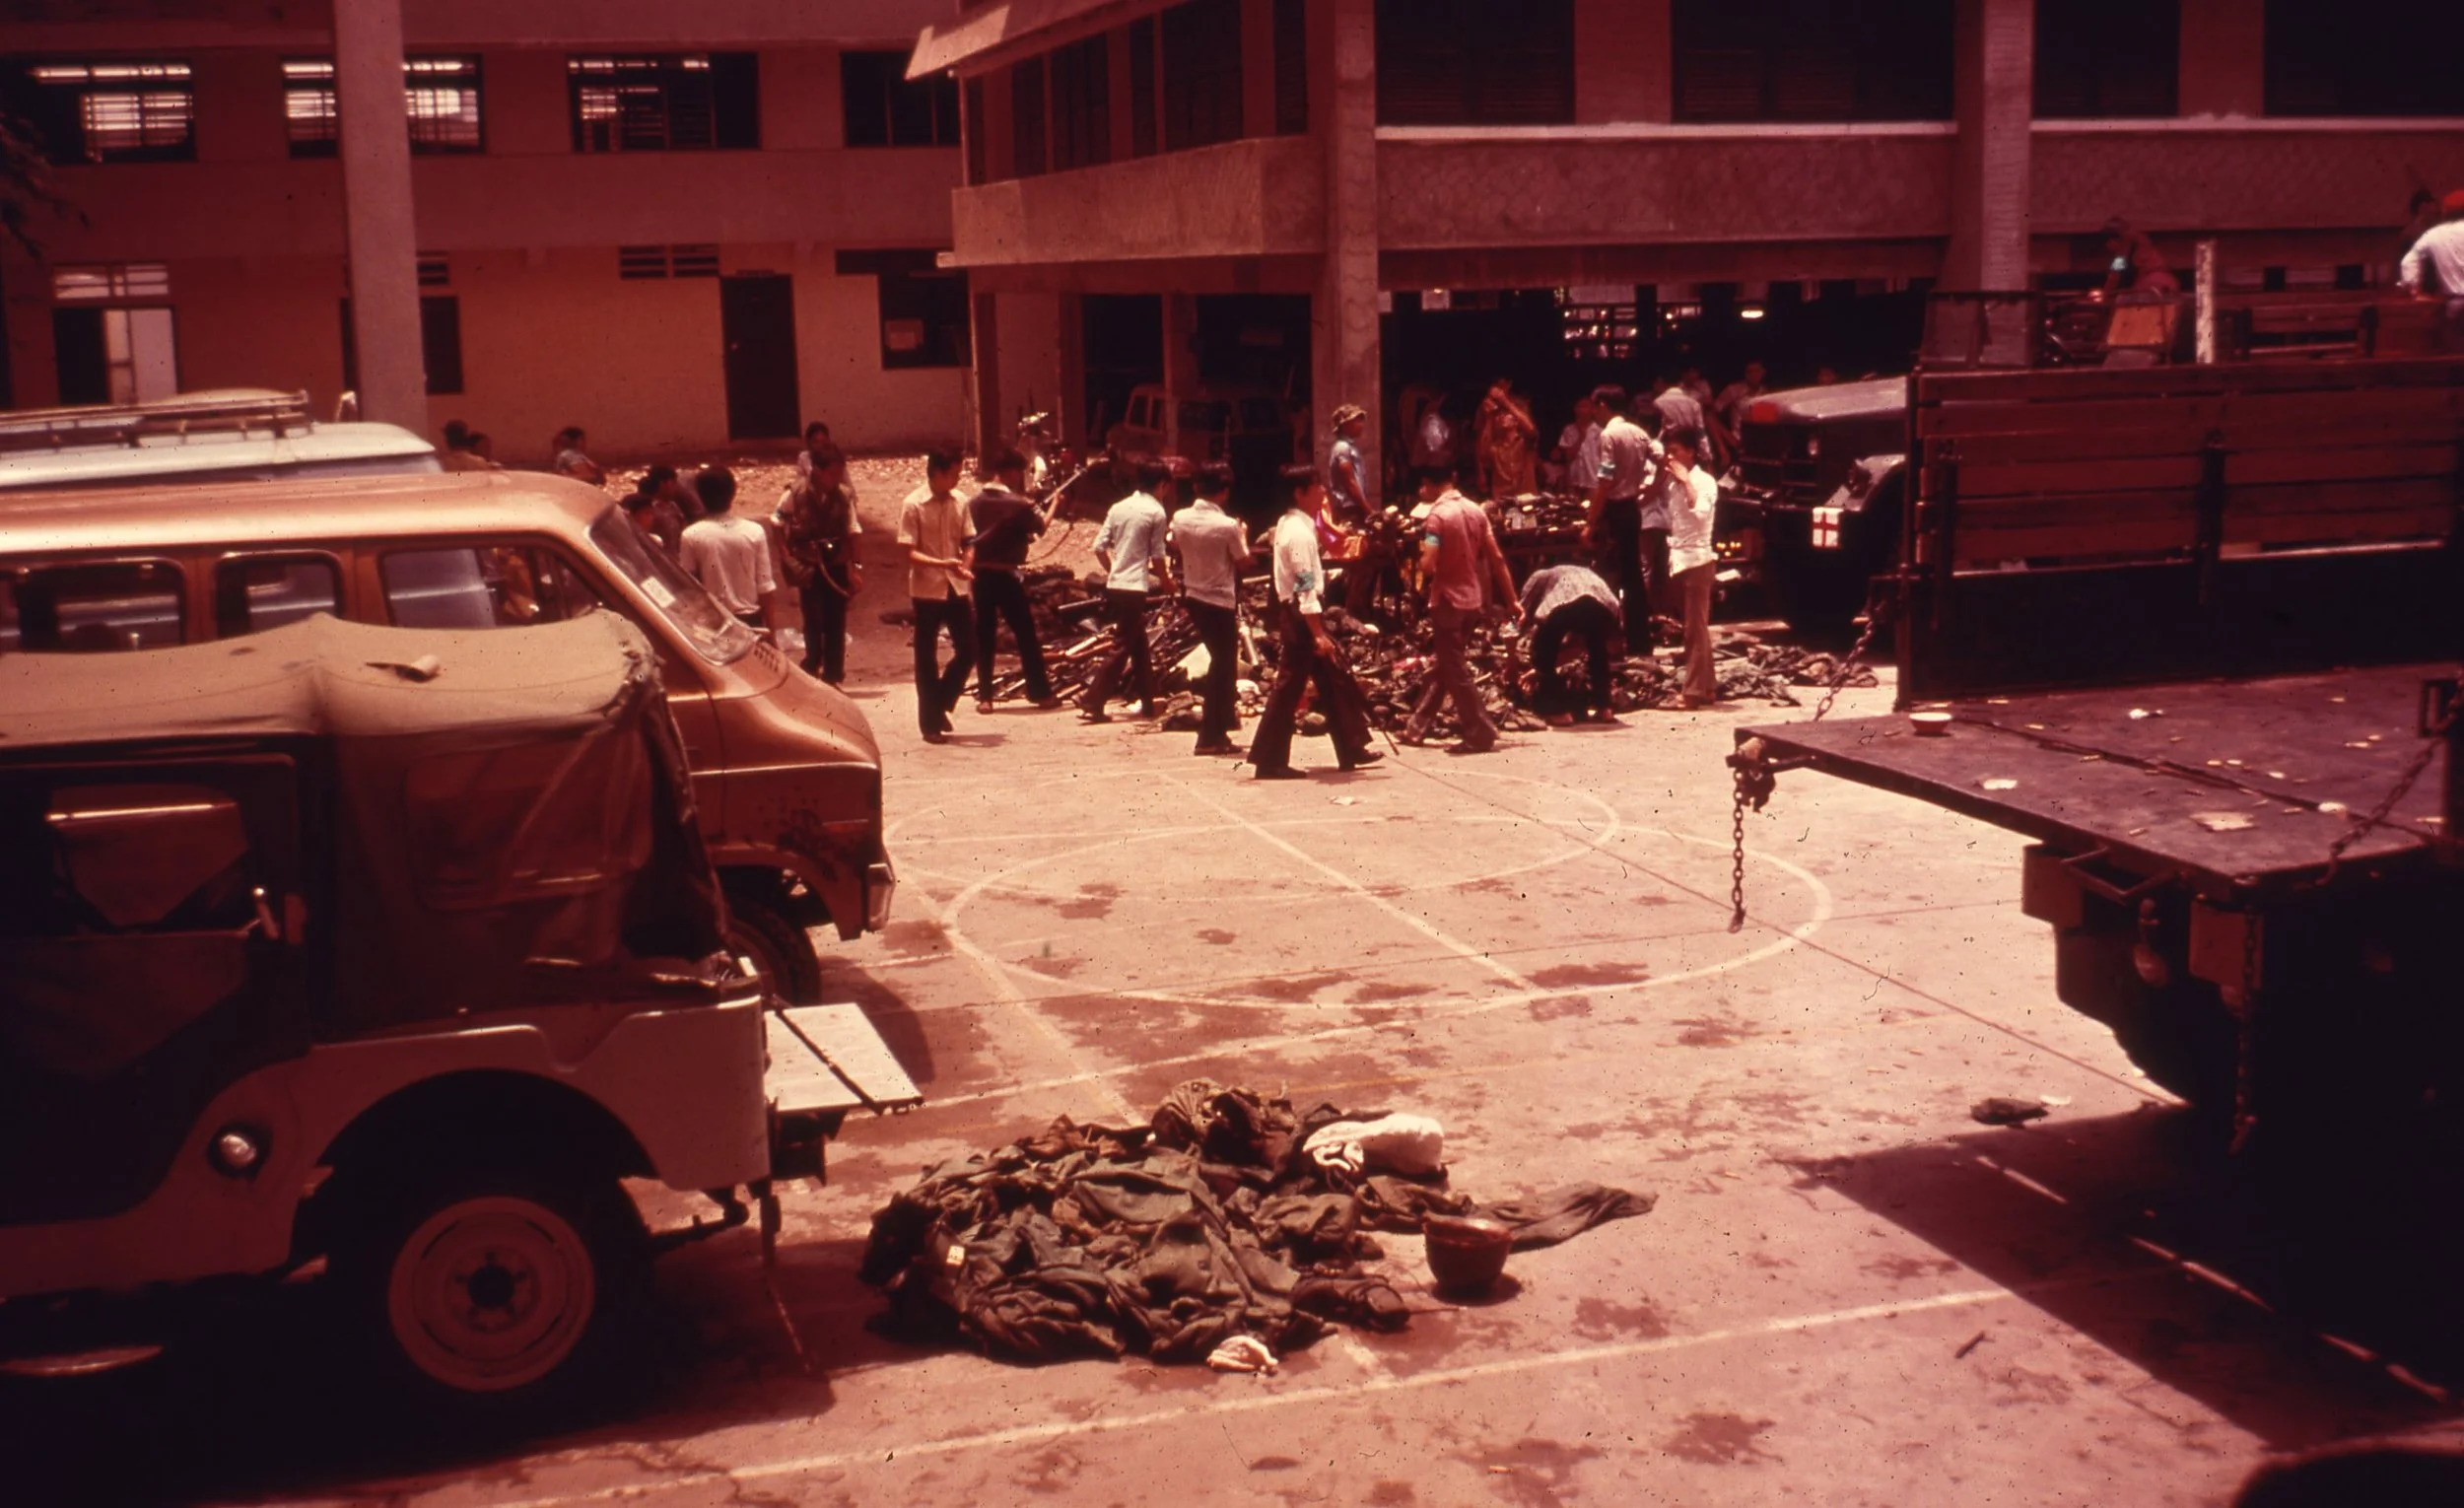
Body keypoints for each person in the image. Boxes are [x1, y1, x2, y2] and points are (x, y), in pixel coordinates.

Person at [1249, 465, 1381, 780]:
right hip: (1301, 614)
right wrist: (1317, 632)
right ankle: (1269, 758)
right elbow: (1305, 583)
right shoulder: (1299, 534)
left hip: (1300, 612)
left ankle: (1352, 746)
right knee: (1289, 687)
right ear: (1300, 492)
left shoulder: (1292, 526)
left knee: (1333, 678)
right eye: (1316, 486)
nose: (1323, 492)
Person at [1403, 464, 1516, 755]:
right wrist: (1512, 599)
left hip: (1448, 600)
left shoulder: (1437, 517)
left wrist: (1417, 557)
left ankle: (1479, 730)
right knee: (1448, 663)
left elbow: (1427, 564)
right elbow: (1497, 557)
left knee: (1453, 667)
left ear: (1427, 484)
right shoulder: (1476, 512)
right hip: (1472, 600)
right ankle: (1417, 726)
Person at [1079, 459, 1175, 723]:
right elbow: (1157, 556)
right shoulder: (1156, 512)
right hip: (1135, 587)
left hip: (1116, 584)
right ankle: (1092, 700)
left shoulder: (1118, 507)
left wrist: (1113, 571)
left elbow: (1099, 547)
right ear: (1162, 485)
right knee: (1122, 646)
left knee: (1138, 643)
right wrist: (1167, 582)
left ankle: (1149, 701)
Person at [965, 448, 1060, 711]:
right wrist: (1055, 504)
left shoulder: (974, 503)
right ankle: (1041, 693)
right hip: (1006, 576)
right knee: (1026, 634)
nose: (1021, 478)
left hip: (980, 575)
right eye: (1020, 472)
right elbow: (1040, 528)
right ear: (1010, 472)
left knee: (985, 635)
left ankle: (986, 698)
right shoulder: (1018, 504)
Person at [1170, 461, 1252, 755]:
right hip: (1219, 600)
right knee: (1223, 667)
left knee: (1221, 663)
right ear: (1225, 491)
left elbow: (1175, 546)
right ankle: (1210, 734)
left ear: (1195, 487)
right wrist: (1245, 534)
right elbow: (1244, 562)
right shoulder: (1228, 526)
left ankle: (1220, 726)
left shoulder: (1179, 518)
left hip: (1194, 595)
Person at [899, 449, 976, 743]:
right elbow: (909, 552)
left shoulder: (961, 501)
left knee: (970, 649)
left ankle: (941, 701)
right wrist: (942, 564)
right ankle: (929, 723)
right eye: (954, 474)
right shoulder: (913, 504)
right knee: (926, 655)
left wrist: (965, 566)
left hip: (956, 585)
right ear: (938, 473)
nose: (958, 479)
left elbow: (969, 541)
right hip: (927, 588)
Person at [1584, 385, 1663, 652]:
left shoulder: (1609, 435)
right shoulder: (1639, 432)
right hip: (1633, 510)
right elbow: (1664, 459)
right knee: (1633, 578)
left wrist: (1590, 522)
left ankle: (1608, 641)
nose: (1593, 413)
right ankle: (1639, 642)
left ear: (1603, 405)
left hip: (1615, 512)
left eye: (1594, 407)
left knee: (1607, 576)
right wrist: (1650, 490)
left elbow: (1605, 482)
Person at [777, 446, 863, 684]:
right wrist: (786, 556)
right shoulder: (795, 493)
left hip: (835, 565)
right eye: (832, 474)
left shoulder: (844, 496)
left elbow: (854, 531)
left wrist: (856, 568)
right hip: (809, 566)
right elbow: (776, 521)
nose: (836, 480)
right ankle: (812, 664)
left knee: (836, 620)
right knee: (813, 619)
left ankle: (833, 674)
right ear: (817, 470)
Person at [1519, 562, 1622, 726]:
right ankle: (1604, 708)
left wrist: (1516, 661)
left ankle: (1557, 712)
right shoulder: (1577, 572)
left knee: (1542, 647)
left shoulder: (1539, 577)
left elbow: (1522, 613)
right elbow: (1577, 648)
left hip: (1567, 600)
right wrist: (1536, 671)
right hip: (1604, 605)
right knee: (1598, 652)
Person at [1662, 429, 1721, 709]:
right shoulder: (1671, 483)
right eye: (1668, 452)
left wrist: (1686, 481)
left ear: (1691, 452)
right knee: (1696, 628)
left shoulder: (1704, 482)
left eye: (1676, 451)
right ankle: (1707, 688)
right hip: (1680, 559)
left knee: (1693, 630)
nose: (1671, 457)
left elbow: (1701, 514)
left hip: (1698, 560)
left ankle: (1693, 692)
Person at [678, 467, 775, 629]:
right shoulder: (754, 531)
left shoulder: (691, 535)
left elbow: (689, 587)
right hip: (750, 621)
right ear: (733, 493)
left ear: (700, 495)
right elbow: (765, 587)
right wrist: (772, 633)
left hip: (713, 622)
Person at [2399, 190, 2464, 349]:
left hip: (2454, 306)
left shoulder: (2434, 234)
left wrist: (2413, 288)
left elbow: (2409, 260)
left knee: (2453, 350)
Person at [1473, 377, 1538, 500]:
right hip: (1502, 495)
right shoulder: (1494, 447)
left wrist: (1504, 401)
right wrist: (1489, 417)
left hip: (1525, 494)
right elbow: (1482, 449)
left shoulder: (1524, 441)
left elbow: (1530, 429)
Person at [2099, 218, 2180, 300]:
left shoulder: (2123, 250)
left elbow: (2114, 276)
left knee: (2121, 300)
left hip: (2151, 287)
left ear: (2112, 241)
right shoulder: (2142, 241)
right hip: (2168, 283)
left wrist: (2104, 296)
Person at [621, 463, 687, 553]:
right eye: (673, 483)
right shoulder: (644, 508)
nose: (676, 487)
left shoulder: (673, 506)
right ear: (663, 484)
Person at [1327, 403, 1373, 523]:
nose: (1361, 425)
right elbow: (1350, 483)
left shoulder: (1349, 447)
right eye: (1356, 421)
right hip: (1349, 510)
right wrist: (1369, 512)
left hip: (1355, 508)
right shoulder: (1342, 448)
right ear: (1345, 424)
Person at [1552, 393, 1602, 495]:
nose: (1581, 410)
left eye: (1585, 407)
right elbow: (1568, 457)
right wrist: (1581, 436)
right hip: (1573, 481)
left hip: (1593, 481)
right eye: (1579, 407)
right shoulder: (1568, 430)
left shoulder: (1600, 431)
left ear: (1592, 410)